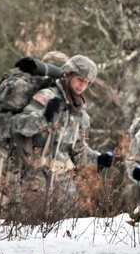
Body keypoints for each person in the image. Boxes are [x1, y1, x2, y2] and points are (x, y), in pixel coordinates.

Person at [7, 54, 112, 213]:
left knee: (67, 226)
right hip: (35, 173)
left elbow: (77, 150)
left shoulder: (79, 111)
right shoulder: (47, 96)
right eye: (79, 79)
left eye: (86, 82)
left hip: (63, 179)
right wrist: (44, 117)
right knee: (31, 226)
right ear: (69, 75)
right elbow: (19, 126)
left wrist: (97, 158)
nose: (82, 85)